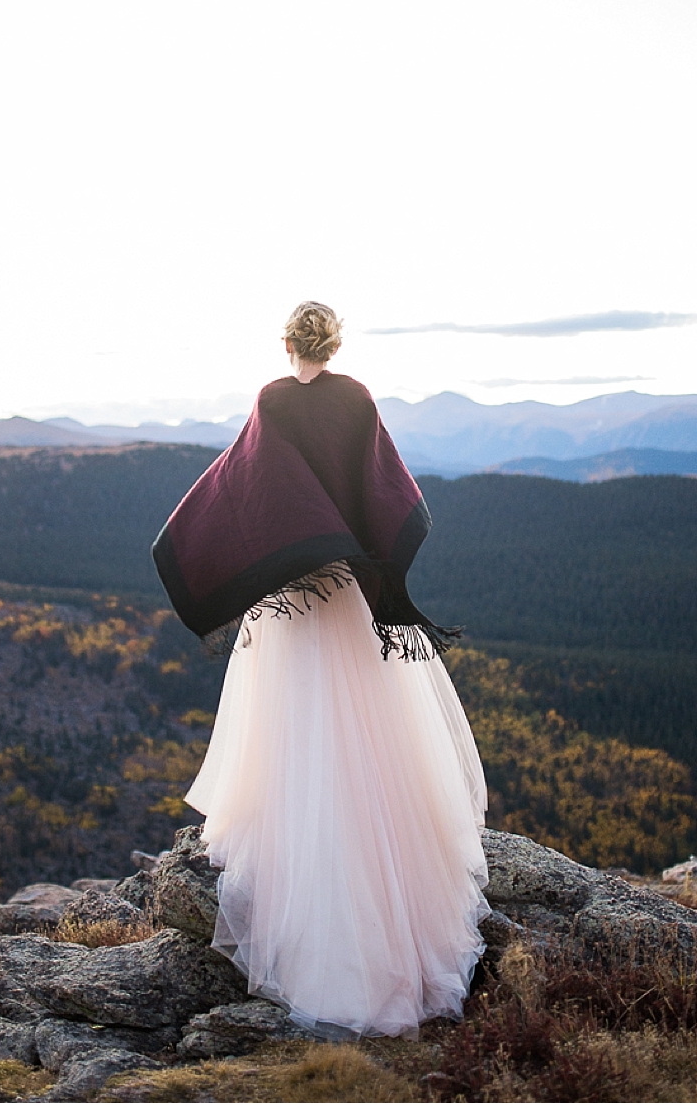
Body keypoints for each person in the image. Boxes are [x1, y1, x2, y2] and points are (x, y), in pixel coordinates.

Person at [152, 302, 488, 1039]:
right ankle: (393, 915)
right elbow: (388, 495)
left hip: (293, 598)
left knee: (298, 731)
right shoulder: (358, 398)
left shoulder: (272, 402)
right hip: (349, 591)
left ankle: (317, 927)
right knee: (370, 732)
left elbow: (241, 495)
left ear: (285, 343)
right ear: (335, 343)